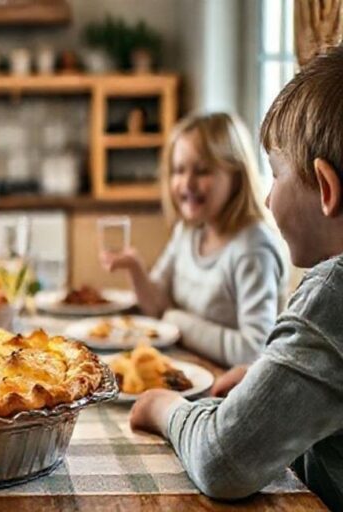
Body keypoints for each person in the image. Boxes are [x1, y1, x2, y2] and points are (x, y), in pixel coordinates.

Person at [129, 45, 343, 510]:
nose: (268, 200)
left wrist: (164, 408)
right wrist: (268, 386)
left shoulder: (333, 295)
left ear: (326, 189)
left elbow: (222, 462)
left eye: (276, 176)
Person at [101, 112, 286, 367]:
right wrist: (135, 267)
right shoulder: (188, 232)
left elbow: (254, 351)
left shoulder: (253, 247)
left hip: (227, 392)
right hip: (189, 370)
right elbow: (156, 308)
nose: (187, 183)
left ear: (236, 175)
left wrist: (177, 322)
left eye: (202, 171)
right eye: (178, 170)